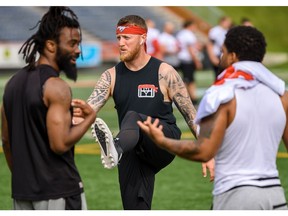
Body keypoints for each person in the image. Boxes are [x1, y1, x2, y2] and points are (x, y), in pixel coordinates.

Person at [137, 25, 288, 210]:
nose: (220, 57)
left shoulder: (222, 94)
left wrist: (162, 141)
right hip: (275, 196)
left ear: (232, 56)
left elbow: (203, 150)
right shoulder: (282, 95)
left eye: (222, 52)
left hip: (236, 196)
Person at [80, 14, 214, 210]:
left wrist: (208, 152)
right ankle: (117, 150)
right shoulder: (111, 76)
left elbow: (191, 114)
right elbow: (88, 110)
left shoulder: (164, 72)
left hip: (164, 140)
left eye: (127, 38)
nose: (121, 43)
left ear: (143, 38)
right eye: (118, 38)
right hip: (131, 148)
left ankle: (114, 149)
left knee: (133, 117)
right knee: (134, 208)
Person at [1, 6, 96, 210]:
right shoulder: (57, 86)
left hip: (22, 193)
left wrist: (25, 179)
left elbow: (7, 141)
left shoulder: (11, 84)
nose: (78, 50)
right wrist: (90, 119)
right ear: (51, 46)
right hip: (60, 192)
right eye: (72, 43)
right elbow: (59, 144)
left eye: (78, 43)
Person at [176, 20, 203, 104]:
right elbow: (190, 49)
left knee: (187, 79)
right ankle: (190, 98)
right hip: (188, 59)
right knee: (189, 80)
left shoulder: (181, 33)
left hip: (182, 58)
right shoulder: (188, 34)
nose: (195, 28)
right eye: (194, 26)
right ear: (190, 25)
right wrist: (196, 61)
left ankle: (188, 97)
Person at [206, 16, 232, 80]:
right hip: (217, 55)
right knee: (218, 76)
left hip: (224, 55)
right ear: (222, 21)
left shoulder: (227, 30)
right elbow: (210, 44)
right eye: (227, 22)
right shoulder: (215, 30)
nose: (229, 24)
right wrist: (212, 57)